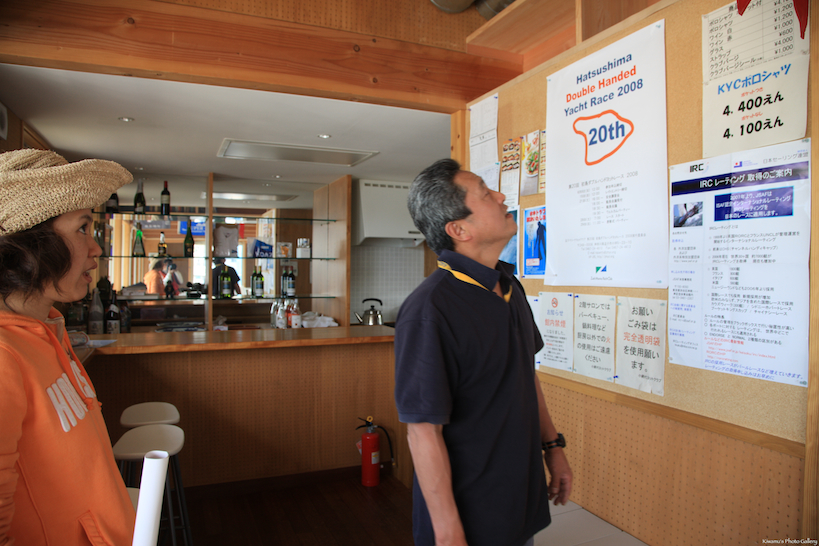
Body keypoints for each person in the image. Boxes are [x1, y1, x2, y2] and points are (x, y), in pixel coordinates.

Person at [394, 159, 572, 546]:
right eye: (486, 193)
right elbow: (422, 431)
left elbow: (525, 374)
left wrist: (553, 447)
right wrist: (448, 532)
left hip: (518, 497)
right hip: (468, 515)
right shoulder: (430, 310)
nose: (502, 196)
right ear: (459, 230)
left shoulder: (508, 286)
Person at [0, 149, 136, 544]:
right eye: (82, 228)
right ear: (32, 243)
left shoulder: (47, 328)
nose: (96, 249)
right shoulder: (5, 355)